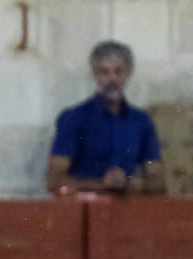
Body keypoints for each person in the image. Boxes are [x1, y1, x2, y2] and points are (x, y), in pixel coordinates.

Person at [47, 40, 164, 196]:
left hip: (127, 210)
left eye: (118, 72)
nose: (112, 79)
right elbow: (54, 179)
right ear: (95, 74)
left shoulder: (141, 121)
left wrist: (131, 183)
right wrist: (101, 184)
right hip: (83, 210)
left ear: (128, 73)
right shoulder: (74, 118)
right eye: (104, 72)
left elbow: (158, 179)